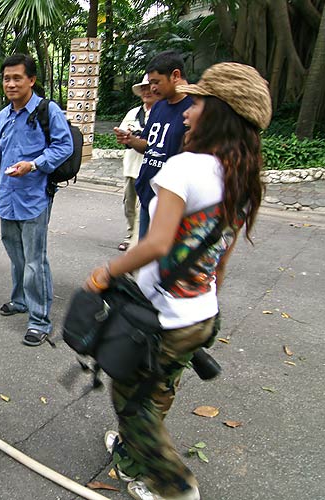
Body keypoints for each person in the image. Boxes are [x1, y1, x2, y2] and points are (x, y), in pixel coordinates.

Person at [84, 63, 271, 500]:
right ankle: (131, 458)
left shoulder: (185, 167)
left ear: (219, 112)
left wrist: (105, 272)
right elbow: (221, 260)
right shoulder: (241, 174)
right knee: (159, 390)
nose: (188, 110)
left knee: (132, 404)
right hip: (201, 314)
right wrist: (205, 304)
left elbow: (156, 243)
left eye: (199, 102)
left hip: (163, 319)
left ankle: (175, 486)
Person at [0, 54, 73, 346]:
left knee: (35, 261)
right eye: (6, 78)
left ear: (31, 80)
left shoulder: (49, 111)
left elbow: (65, 146)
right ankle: (20, 300)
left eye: (17, 78)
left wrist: (33, 165)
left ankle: (40, 320)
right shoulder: (3, 115)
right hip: (8, 198)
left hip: (35, 198)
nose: (10, 84)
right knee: (15, 254)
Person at [114, 51, 190, 239]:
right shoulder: (158, 107)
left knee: (163, 261)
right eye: (150, 83)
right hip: (148, 193)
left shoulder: (195, 107)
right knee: (144, 258)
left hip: (173, 201)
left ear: (175, 76)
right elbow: (150, 145)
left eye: (156, 82)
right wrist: (131, 141)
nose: (153, 88)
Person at [114, 74, 157, 251]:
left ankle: (139, 241)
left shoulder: (161, 113)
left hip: (150, 169)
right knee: (129, 204)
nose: (147, 91)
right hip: (131, 167)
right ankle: (131, 234)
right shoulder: (133, 113)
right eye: (144, 88)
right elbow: (122, 136)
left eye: (150, 86)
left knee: (145, 207)